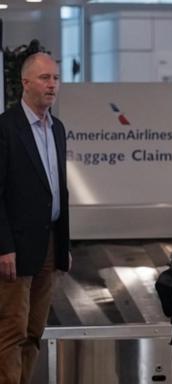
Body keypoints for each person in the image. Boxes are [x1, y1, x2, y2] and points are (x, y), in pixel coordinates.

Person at [0, 52, 71, 384]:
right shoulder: (6, 128)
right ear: (25, 83)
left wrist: (63, 244)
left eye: (55, 78)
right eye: (45, 78)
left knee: (34, 330)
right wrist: (3, 247)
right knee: (12, 329)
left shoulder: (57, 129)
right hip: (15, 249)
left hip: (49, 244)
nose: (52, 84)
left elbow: (59, 190)